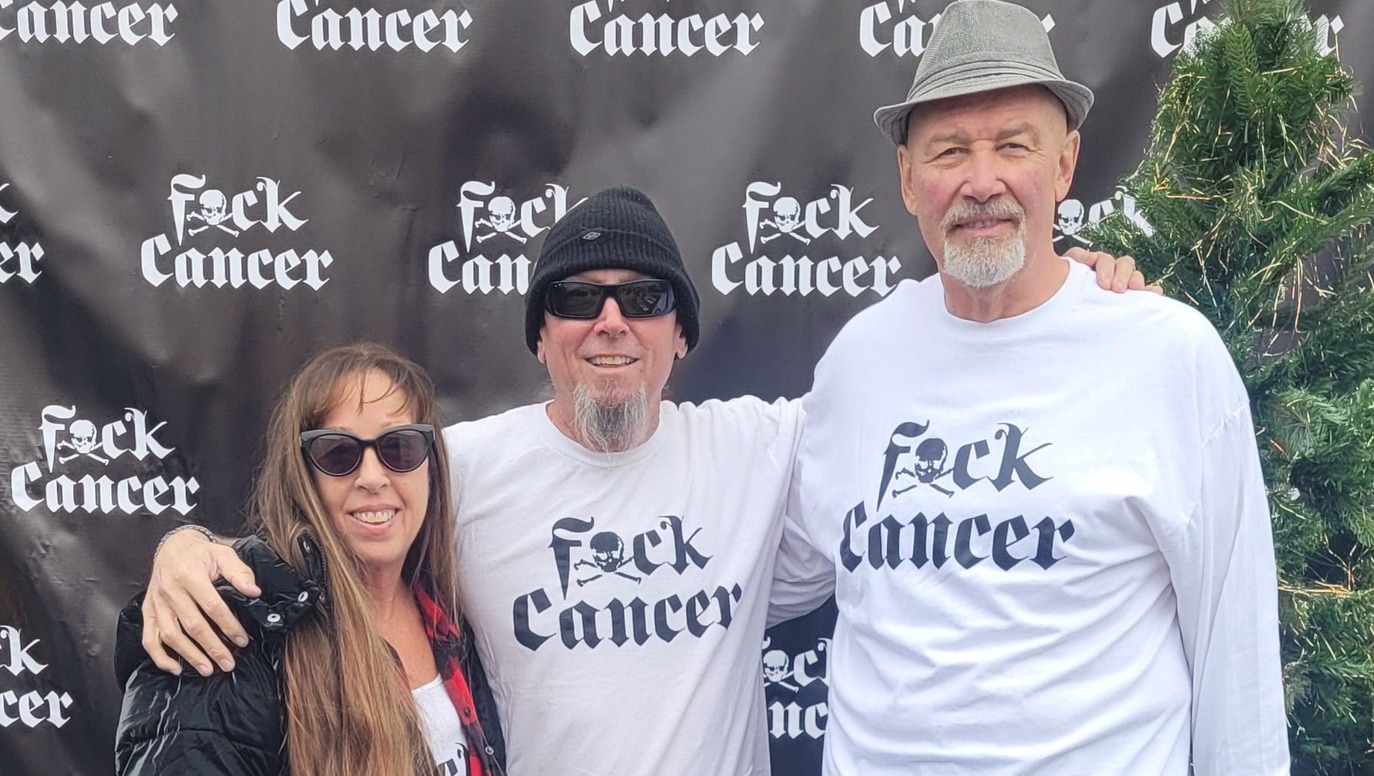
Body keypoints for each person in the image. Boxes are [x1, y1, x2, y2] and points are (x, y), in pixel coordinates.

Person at [135, 187, 1146, 775]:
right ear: (542, 336)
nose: (610, 321)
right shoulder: (452, 467)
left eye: (644, 297)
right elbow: (323, 533)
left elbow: (947, 401)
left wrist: (1067, 298)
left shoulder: (763, 447)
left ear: (680, 336)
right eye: (577, 299)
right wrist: (184, 552)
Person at [773, 1, 1290, 773]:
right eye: (950, 151)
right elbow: (758, 572)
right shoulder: (858, 360)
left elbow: (1235, 656)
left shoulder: (1167, 357)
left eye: (1013, 145)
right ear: (909, 178)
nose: (982, 182)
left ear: (1065, 164)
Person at [114, 343, 505, 776]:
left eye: (399, 447)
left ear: (432, 466)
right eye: (338, 453)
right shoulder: (225, 632)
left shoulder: (459, 612)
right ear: (302, 475)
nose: (373, 477)